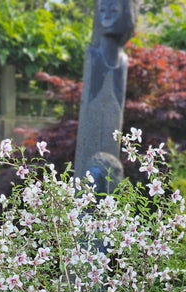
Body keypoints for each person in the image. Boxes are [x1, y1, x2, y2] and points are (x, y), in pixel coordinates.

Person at [74, 0, 139, 184]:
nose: (106, 15)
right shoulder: (93, 55)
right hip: (88, 151)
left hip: (109, 146)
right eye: (102, 10)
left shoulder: (123, 61)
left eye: (114, 9)